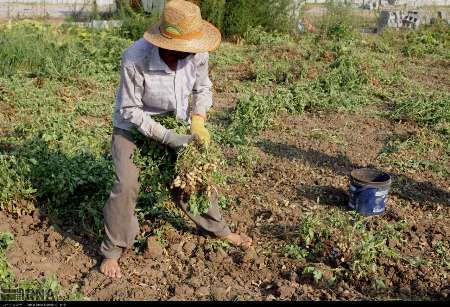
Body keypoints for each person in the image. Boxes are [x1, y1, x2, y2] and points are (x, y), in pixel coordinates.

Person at [99, 0, 252, 279]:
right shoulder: (135, 57)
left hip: (176, 122)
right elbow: (129, 110)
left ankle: (218, 230)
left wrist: (198, 120)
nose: (187, 53)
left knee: (192, 177)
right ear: (163, 42)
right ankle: (112, 250)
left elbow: (203, 88)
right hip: (133, 127)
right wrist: (168, 137)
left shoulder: (197, 53)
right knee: (127, 183)